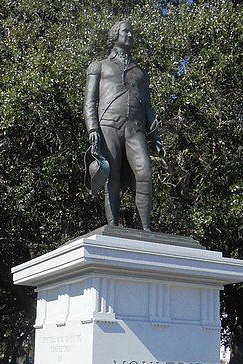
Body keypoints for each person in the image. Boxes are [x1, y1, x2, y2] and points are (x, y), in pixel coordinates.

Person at [83, 21, 165, 231]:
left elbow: (147, 107)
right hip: (108, 125)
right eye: (125, 31)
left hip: (135, 129)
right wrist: (92, 128)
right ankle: (113, 226)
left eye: (131, 32)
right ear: (115, 35)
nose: (129, 35)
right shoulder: (99, 65)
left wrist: (155, 136)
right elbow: (90, 102)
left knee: (145, 173)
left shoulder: (140, 72)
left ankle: (144, 227)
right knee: (113, 177)